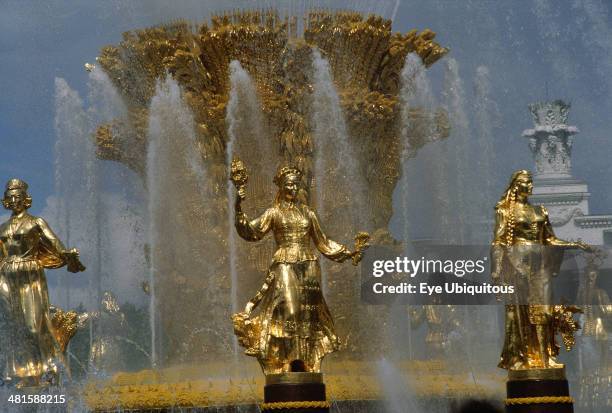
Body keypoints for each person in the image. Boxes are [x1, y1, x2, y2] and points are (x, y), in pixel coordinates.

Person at [231, 165, 367, 374]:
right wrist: (238, 204)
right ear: (281, 186)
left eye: (296, 184)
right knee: (289, 309)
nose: (293, 188)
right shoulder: (273, 213)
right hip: (285, 262)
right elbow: (251, 231)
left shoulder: (308, 213)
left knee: (308, 315)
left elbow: (323, 242)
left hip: (308, 264)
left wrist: (349, 253)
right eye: (289, 184)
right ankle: (285, 357)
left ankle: (306, 360)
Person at [491, 170, 588, 370]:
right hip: (518, 266)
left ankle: (545, 357)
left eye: (532, 182)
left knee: (544, 310)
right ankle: (525, 357)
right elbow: (498, 242)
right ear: (517, 186)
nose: (531, 186)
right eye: (528, 182)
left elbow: (550, 239)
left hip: (540, 265)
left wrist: (574, 244)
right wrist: (496, 269)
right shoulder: (505, 211)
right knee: (522, 312)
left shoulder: (540, 211)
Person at [0, 178, 85, 388]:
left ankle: (50, 369)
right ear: (6, 201)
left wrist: (67, 254)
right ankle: (27, 375)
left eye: (18, 196)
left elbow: (54, 243)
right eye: (10, 197)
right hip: (6, 276)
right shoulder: (2, 227)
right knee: (14, 327)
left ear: (25, 199)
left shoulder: (36, 222)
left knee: (33, 325)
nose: (14, 200)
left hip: (30, 274)